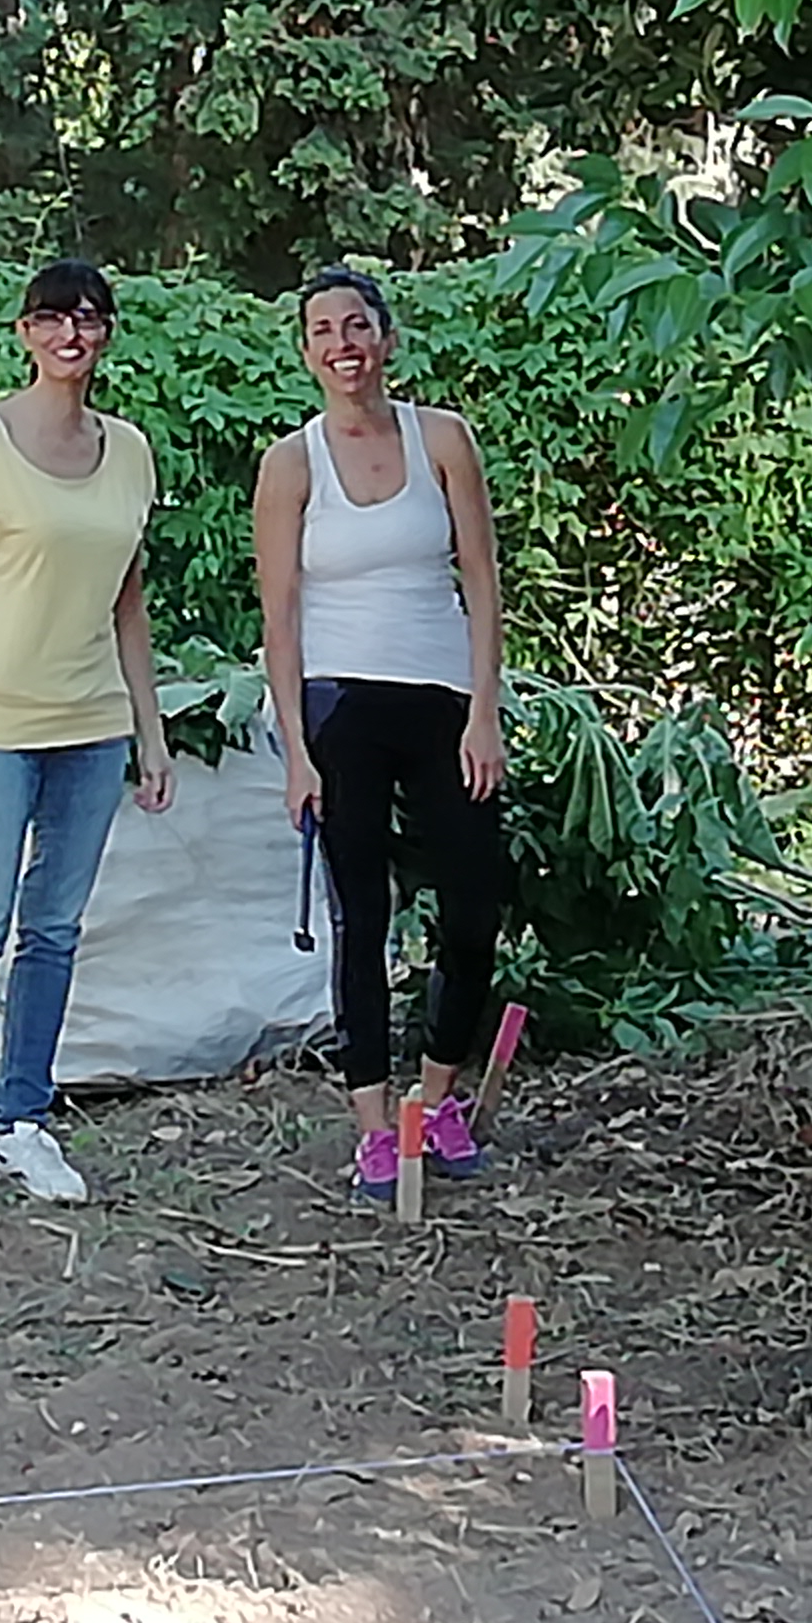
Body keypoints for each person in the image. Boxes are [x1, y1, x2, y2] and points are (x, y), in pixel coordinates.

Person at [0, 257, 175, 1219]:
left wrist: (150, 733)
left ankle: (21, 1119)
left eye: (89, 318)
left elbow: (128, 602)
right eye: (53, 318)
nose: (71, 334)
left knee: (53, 930)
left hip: (91, 726)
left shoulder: (129, 451)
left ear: (106, 335)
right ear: (26, 333)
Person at [252, 263, 509, 1201]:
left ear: (386, 339)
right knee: (361, 917)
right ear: (306, 353)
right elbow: (280, 615)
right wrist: (296, 750)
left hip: (441, 695)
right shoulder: (291, 464)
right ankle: (371, 1124)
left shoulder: (443, 438)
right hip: (339, 704)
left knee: (474, 902)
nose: (343, 346)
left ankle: (435, 1101)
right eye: (324, 332)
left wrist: (485, 710)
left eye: (357, 326)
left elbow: (480, 577)